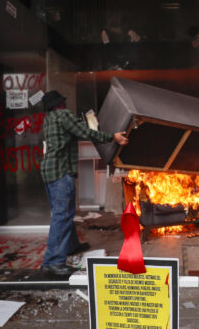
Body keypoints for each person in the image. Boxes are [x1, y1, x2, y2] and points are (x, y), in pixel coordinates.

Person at [39, 90, 129, 276]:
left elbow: (73, 130)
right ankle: (52, 262)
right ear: (58, 105)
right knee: (62, 216)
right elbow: (86, 132)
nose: (65, 105)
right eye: (62, 102)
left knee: (64, 213)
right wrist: (113, 137)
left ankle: (71, 246)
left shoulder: (48, 118)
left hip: (49, 171)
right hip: (61, 171)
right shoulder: (64, 115)